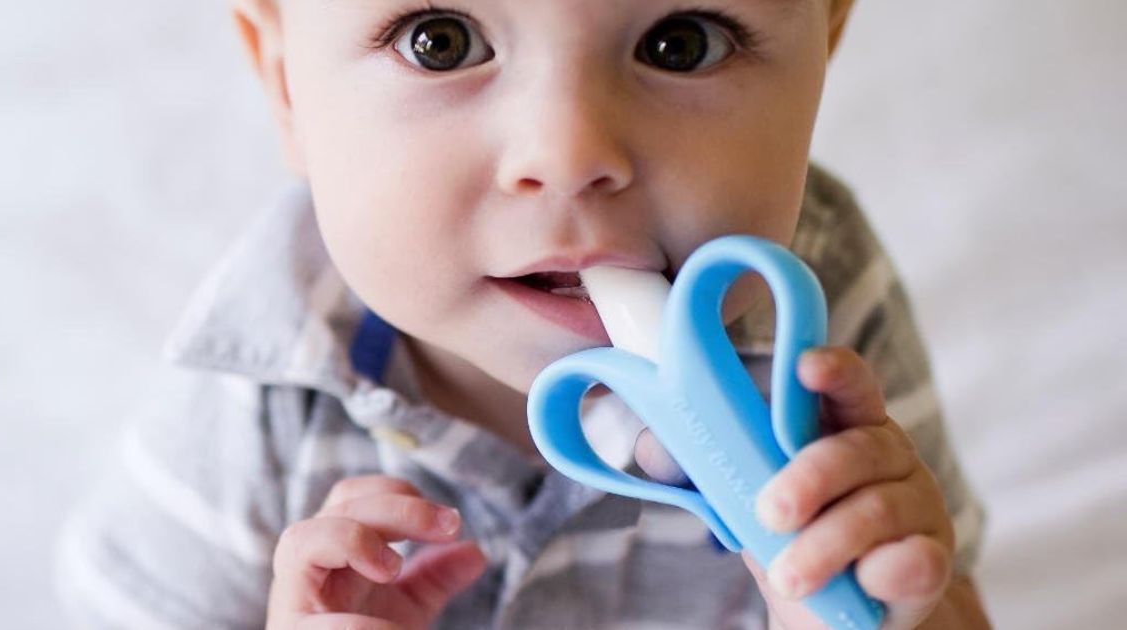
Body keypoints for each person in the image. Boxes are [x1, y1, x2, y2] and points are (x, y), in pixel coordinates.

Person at [57, 1, 992, 628]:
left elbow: (939, 591)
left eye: (682, 41)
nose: (570, 152)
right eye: (442, 40)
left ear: (822, 53)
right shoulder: (263, 371)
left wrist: (874, 602)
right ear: (289, 84)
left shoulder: (820, 319)